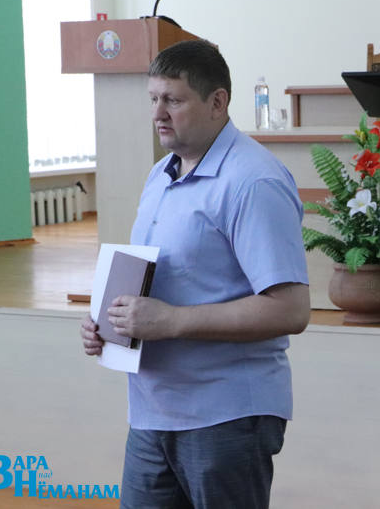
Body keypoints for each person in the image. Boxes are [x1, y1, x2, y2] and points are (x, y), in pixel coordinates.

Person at [80, 40, 311, 509]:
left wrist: (171, 321)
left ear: (217, 102)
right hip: (153, 412)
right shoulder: (160, 175)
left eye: (173, 100)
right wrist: (108, 323)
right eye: (153, 99)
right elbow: (165, 279)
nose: (158, 113)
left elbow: (290, 310)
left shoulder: (254, 181)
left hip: (225, 415)